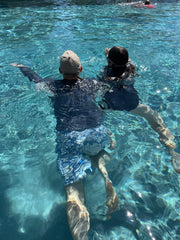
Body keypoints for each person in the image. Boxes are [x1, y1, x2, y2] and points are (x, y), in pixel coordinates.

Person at [11, 50, 119, 240]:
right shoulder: (92, 83)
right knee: (97, 152)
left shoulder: (52, 86)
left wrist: (22, 67)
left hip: (70, 135)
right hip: (96, 130)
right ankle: (103, 170)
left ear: (60, 70)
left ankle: (81, 236)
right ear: (81, 68)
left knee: (73, 191)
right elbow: (109, 78)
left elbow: (34, 78)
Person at [97, 46, 180, 174]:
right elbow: (125, 60)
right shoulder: (131, 68)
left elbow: (100, 87)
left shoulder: (105, 73)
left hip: (111, 105)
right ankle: (172, 151)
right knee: (154, 116)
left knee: (97, 114)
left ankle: (110, 139)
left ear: (109, 62)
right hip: (131, 104)